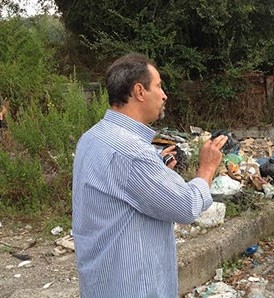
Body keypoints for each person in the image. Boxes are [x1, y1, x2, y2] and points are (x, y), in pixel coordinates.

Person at [72, 52, 228, 298]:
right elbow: (186, 207)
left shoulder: (92, 137)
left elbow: (119, 192)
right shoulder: (133, 153)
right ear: (139, 91)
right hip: (133, 287)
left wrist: (158, 173)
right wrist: (206, 169)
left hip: (101, 283)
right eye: (158, 85)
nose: (164, 94)